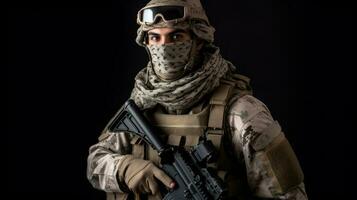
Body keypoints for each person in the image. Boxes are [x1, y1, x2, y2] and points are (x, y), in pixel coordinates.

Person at [87, 0, 308, 199]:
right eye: (155, 37)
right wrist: (125, 168)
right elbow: (94, 162)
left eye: (176, 36)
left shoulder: (241, 113)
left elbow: (289, 195)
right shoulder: (142, 101)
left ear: (199, 40)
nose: (163, 47)